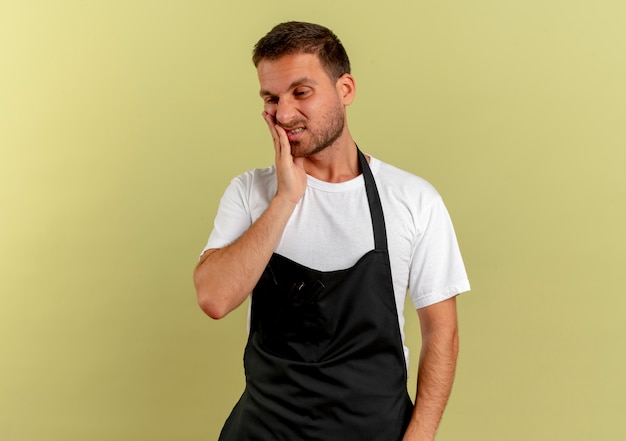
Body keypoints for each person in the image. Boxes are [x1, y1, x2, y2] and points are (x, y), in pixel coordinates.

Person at [194, 21, 470, 441]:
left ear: (345, 90)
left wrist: (420, 436)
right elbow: (213, 298)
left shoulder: (414, 200)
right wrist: (285, 198)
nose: (284, 114)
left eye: (301, 92)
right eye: (271, 98)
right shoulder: (251, 192)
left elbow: (441, 331)